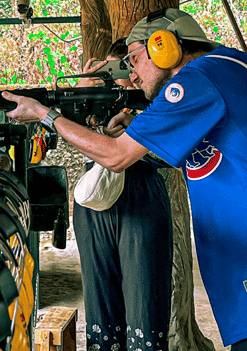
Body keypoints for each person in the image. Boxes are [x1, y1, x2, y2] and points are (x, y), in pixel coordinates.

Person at [3, 7, 247, 350]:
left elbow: (116, 157)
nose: (131, 74)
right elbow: (229, 152)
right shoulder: (238, 67)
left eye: (135, 58)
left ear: (163, 47)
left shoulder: (198, 78)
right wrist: (143, 133)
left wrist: (44, 114)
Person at [73, 38, 172, 351]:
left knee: (146, 298)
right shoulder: (96, 98)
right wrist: (85, 93)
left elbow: (171, 155)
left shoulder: (161, 99)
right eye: (114, 67)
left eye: (129, 66)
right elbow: (69, 137)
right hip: (96, 201)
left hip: (142, 198)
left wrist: (136, 129)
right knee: (100, 298)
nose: (122, 75)